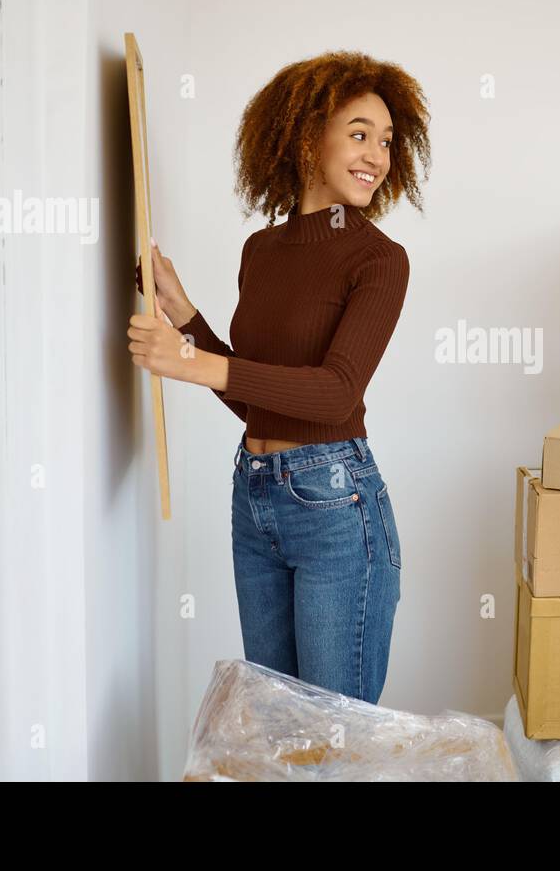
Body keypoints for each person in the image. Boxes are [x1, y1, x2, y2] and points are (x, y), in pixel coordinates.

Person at [128, 50, 431, 704]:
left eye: (385, 140)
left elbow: (334, 394)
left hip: (336, 505)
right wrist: (185, 318)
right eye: (359, 133)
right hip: (254, 495)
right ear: (303, 136)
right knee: (278, 731)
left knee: (334, 742)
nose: (377, 155)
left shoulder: (379, 260)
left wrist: (188, 361)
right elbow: (258, 403)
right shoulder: (260, 251)